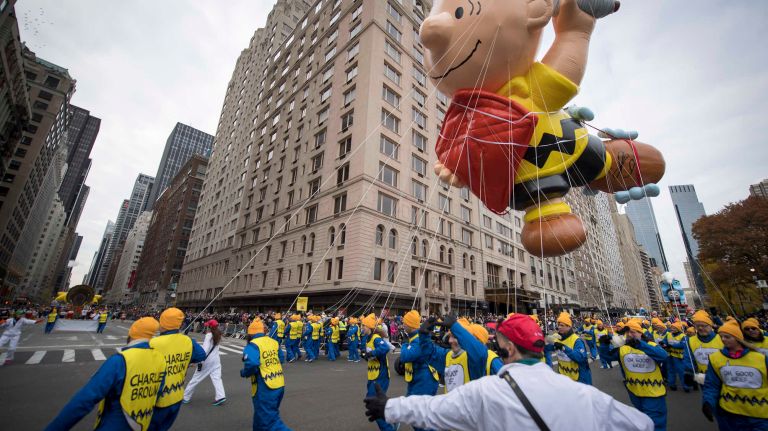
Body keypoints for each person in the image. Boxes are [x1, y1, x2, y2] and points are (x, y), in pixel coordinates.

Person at [364, 314, 654, 431]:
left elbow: (431, 408)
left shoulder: (488, 381)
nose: (451, 341)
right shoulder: (586, 396)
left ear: (509, 350)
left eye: (501, 345)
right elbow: (641, 425)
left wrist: (388, 407)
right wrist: (427, 335)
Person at [44, 317, 166, 431]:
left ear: (132, 333)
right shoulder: (161, 358)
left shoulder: (120, 360)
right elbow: (158, 394)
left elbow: (84, 400)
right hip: (142, 424)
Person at [599, 319, 669, 431]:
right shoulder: (623, 348)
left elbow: (664, 356)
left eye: (633, 332)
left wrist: (640, 344)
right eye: (627, 333)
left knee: (656, 424)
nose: (629, 335)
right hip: (634, 392)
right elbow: (607, 357)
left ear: (640, 333)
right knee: (642, 421)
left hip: (654, 393)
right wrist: (604, 344)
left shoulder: (650, 345)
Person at [702, 319, 768, 430]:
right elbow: (712, 385)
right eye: (721, 336)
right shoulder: (715, 358)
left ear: (737, 338)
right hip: (730, 414)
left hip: (760, 415)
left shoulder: (760, 357)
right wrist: (708, 402)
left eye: (727, 337)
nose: (723, 339)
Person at [148, 307, 206, 431]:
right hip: (176, 396)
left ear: (162, 323)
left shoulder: (152, 343)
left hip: (154, 399)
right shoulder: (187, 341)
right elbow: (201, 355)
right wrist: (187, 360)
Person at [241, 318, 291, 431]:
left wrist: (244, 373)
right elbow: (281, 359)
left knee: (270, 422)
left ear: (250, 333)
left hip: (265, 386)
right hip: (279, 383)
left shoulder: (253, 345)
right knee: (261, 417)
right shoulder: (273, 342)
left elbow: (252, 364)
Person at [399, 310, 439, 431]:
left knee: (420, 418)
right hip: (417, 380)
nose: (403, 325)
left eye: (405, 323)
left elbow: (406, 356)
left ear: (410, 325)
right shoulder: (413, 337)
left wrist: (405, 345)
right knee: (413, 413)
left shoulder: (416, 340)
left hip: (425, 380)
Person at [361, 313, 395, 431]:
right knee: (373, 401)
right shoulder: (367, 338)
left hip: (381, 375)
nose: (362, 327)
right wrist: (365, 355)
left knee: (374, 403)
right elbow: (369, 355)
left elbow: (384, 348)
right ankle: (392, 419)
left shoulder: (376, 338)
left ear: (369, 327)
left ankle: (389, 428)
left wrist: (371, 354)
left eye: (364, 326)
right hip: (372, 375)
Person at [182, 320, 226, 406]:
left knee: (195, 379)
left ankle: (186, 397)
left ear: (209, 327)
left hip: (207, 361)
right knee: (217, 378)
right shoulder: (218, 334)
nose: (206, 327)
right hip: (216, 360)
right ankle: (220, 396)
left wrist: (196, 360)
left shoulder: (209, 335)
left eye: (207, 326)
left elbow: (204, 350)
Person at [545, 312, 592, 385]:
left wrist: (563, 347)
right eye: (558, 325)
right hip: (564, 378)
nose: (559, 327)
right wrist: (544, 340)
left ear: (569, 326)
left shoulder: (577, 340)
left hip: (579, 378)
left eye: (562, 325)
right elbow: (546, 349)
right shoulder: (557, 337)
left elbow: (580, 358)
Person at [684, 310, 724, 387]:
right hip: (702, 377)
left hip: (721, 376)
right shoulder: (690, 340)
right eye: (698, 326)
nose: (701, 328)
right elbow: (688, 358)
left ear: (710, 325)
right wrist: (689, 372)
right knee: (707, 396)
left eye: (704, 325)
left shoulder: (722, 338)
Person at [661, 321, 691, 392]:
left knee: (681, 372)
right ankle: (672, 384)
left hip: (679, 357)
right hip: (670, 355)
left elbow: (683, 345)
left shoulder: (683, 336)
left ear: (678, 329)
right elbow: (664, 341)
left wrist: (671, 345)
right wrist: (662, 343)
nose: (671, 329)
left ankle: (686, 386)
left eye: (673, 328)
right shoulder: (669, 334)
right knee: (670, 370)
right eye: (671, 328)